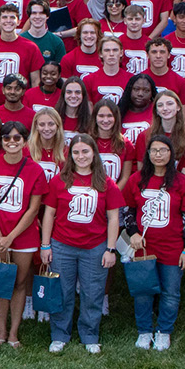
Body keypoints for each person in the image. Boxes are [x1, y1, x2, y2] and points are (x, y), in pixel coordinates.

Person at [41, 135, 125, 354]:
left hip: (95, 247)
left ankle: (89, 335)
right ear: (70, 155)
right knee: (62, 292)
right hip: (62, 245)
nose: (81, 157)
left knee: (93, 293)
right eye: (76, 152)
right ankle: (60, 334)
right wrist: (45, 245)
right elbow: (49, 213)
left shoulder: (106, 183)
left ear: (94, 154)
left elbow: (113, 218)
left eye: (85, 152)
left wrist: (110, 248)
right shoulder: (60, 180)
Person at [121, 134, 185, 350]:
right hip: (143, 246)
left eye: (163, 150)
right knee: (143, 291)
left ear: (171, 154)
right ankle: (144, 331)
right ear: (147, 154)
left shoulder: (182, 182)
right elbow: (128, 209)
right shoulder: (137, 179)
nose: (158, 154)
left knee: (171, 291)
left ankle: (164, 331)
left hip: (173, 247)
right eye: (154, 150)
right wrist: (133, 232)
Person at [0, 121, 45, 347]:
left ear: (25, 141)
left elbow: (34, 209)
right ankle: (1, 331)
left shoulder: (35, 169)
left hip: (23, 236)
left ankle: (14, 332)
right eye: (7, 138)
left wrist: (11, 237)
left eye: (17, 138)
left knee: (19, 282)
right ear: (2, 141)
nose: (12, 142)